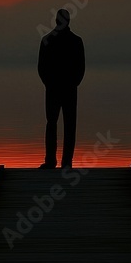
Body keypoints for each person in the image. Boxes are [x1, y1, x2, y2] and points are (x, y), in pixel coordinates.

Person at [37, 9, 85, 169]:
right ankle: (65, 162)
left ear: (56, 21)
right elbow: (80, 68)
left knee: (52, 123)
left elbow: (41, 68)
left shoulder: (47, 40)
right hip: (66, 88)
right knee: (68, 125)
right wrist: (72, 83)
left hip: (56, 88)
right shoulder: (76, 41)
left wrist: (50, 83)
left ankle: (52, 161)